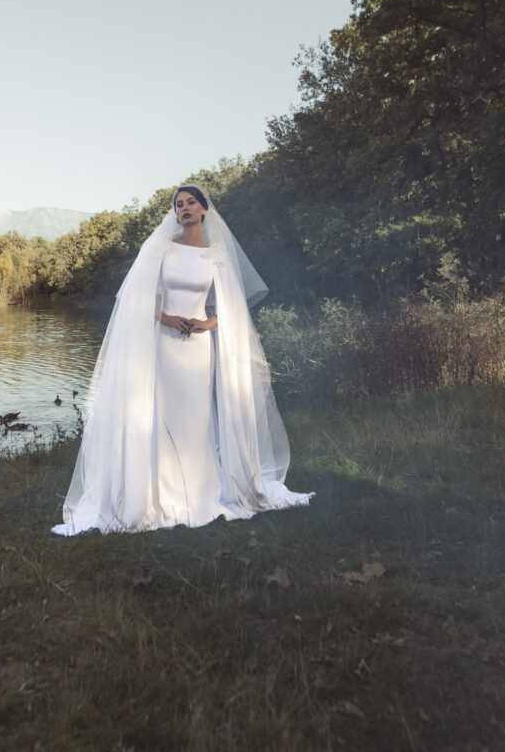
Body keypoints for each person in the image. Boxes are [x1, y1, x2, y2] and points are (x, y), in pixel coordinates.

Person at [51, 185, 314, 535]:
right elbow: (135, 296)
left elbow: (232, 307)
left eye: (191, 203)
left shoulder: (215, 255)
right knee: (161, 416)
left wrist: (206, 322)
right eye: (179, 204)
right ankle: (158, 494)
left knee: (197, 417)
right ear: (175, 213)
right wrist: (166, 318)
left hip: (198, 348)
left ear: (204, 210)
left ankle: (202, 492)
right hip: (164, 344)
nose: (185, 208)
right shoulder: (163, 250)